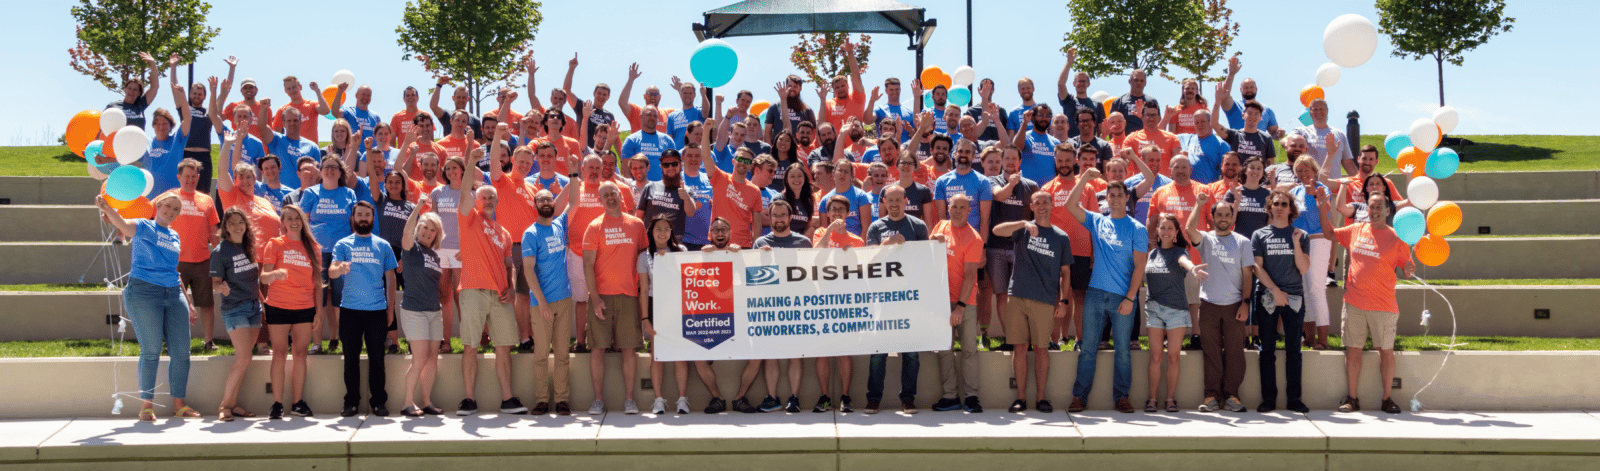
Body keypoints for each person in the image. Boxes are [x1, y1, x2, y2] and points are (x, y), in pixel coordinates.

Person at [98, 193, 198, 421]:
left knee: (182, 353)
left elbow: (174, 271)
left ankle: (179, 405)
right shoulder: (144, 225)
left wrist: (189, 303)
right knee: (151, 350)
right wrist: (107, 208)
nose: (171, 211)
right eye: (168, 206)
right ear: (158, 206)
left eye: (176, 209)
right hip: (144, 292)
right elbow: (124, 226)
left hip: (173, 293)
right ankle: (146, 406)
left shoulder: (174, 235)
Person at [1064, 168, 1148, 413]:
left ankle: (1121, 397)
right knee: (1088, 349)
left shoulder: (1137, 228)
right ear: (1106, 199)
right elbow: (1070, 205)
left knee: (1123, 351)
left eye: (1120, 195)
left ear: (1127, 198)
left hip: (1122, 297)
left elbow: (1140, 265)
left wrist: (1130, 298)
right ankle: (1079, 396)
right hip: (1095, 294)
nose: (1115, 199)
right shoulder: (1097, 220)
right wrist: (1083, 179)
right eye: (1111, 195)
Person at [454, 165, 528, 415]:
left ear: (497, 202)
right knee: (470, 346)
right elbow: (464, 192)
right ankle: (468, 399)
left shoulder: (504, 233)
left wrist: (513, 288)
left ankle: (508, 399)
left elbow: (509, 265)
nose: (487, 201)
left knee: (504, 346)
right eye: (483, 197)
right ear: (476, 200)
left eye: (491, 198)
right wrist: (470, 163)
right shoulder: (469, 218)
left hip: (500, 295)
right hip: (473, 289)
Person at [991, 191, 1073, 413]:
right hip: (1017, 295)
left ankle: (1041, 398)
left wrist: (1064, 301)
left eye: (1045, 202)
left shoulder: (1061, 237)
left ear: (1052, 205)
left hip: (1045, 299)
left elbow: (1066, 273)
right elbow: (996, 231)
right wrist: (1023, 223)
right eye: (1037, 203)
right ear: (1032, 206)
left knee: (1041, 349)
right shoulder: (1023, 230)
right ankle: (1020, 398)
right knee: (1019, 348)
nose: (1041, 206)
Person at [637, 215, 728, 415]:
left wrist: (706, 252)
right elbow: (643, 290)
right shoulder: (644, 256)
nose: (662, 233)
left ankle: (682, 400)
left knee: (681, 356)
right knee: (657, 356)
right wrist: (645, 319)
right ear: (651, 232)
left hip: (680, 306)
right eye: (658, 229)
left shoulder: (681, 251)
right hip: (655, 305)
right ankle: (658, 400)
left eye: (666, 229)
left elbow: (693, 275)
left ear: (671, 232)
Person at [1335, 190, 1414, 415]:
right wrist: (1323, 205)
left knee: (1386, 352)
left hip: (1384, 305)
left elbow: (1407, 270)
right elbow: (1330, 233)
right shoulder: (1355, 229)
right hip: (1354, 302)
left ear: (1388, 212)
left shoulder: (1397, 238)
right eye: (1371, 206)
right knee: (1353, 351)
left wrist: (1409, 269)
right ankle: (1352, 398)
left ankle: (1387, 399)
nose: (1375, 210)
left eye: (1379, 207)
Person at [862, 185, 930, 414]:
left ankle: (908, 398)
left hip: (909, 298)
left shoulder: (918, 226)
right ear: (883, 201)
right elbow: (869, 260)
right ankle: (873, 398)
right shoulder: (876, 227)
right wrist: (887, 243)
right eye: (889, 200)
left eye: (898, 200)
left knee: (911, 353)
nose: (894, 204)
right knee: (878, 352)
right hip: (882, 298)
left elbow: (925, 260)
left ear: (905, 201)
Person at [327, 202, 399, 417]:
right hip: (349, 310)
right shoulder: (343, 244)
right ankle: (351, 402)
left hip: (377, 310)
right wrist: (339, 268)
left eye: (367, 214)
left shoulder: (383, 245)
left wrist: (390, 310)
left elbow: (391, 278)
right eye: (359, 214)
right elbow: (331, 272)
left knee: (377, 358)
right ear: (353, 218)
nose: (363, 218)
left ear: (373, 218)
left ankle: (379, 402)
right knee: (351, 359)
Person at [1186, 192, 1254, 413]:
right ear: (1212, 218)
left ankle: (1232, 396)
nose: (1223, 218)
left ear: (1232, 217)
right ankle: (1212, 396)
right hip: (1209, 305)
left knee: (1235, 352)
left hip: (1235, 305)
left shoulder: (1243, 242)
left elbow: (1248, 275)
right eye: (1219, 215)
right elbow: (1189, 230)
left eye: (1227, 215)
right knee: (1211, 352)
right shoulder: (1206, 239)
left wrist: (1245, 303)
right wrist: (1199, 204)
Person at [583, 181, 647, 415]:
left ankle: (629, 400)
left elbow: (644, 258)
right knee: (598, 349)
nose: (610, 198)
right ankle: (598, 400)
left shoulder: (637, 225)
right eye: (605, 195)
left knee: (629, 349)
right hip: (601, 297)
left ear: (620, 195)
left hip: (629, 296)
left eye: (613, 193)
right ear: (600, 200)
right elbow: (587, 265)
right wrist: (595, 298)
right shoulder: (594, 227)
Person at [520, 187, 581, 416]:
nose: (546, 202)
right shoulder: (530, 233)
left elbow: (574, 201)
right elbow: (528, 270)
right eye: (541, 199)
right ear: (535, 205)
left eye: (549, 199)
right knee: (541, 355)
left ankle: (562, 399)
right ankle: (542, 400)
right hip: (541, 303)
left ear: (554, 203)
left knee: (562, 355)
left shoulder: (559, 224)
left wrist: (573, 173)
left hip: (564, 299)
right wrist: (542, 302)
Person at [922, 194, 984, 413]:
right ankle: (950, 396)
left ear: (969, 211)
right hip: (941, 299)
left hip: (965, 302)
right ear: (948, 208)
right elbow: (927, 253)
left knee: (969, 350)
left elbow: (970, 275)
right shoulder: (941, 226)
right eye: (954, 206)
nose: (957, 210)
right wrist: (933, 240)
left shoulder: (974, 238)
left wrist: (960, 306)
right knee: (944, 350)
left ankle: (972, 396)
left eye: (962, 207)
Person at [1251, 189, 1312, 413]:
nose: (1279, 207)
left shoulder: (1301, 235)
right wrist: (1275, 290)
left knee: (1294, 349)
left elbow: (1303, 269)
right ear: (1269, 207)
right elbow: (1257, 268)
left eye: (1284, 204)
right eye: (1275, 203)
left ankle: (1294, 399)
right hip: (1268, 296)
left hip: (1294, 297)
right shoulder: (1259, 235)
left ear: (1290, 209)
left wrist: (1295, 243)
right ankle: (1269, 399)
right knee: (1267, 349)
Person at [154, 159, 220, 350]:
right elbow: (148, 213)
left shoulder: (206, 200)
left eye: (194, 176)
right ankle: (170, 341)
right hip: (174, 261)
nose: (190, 180)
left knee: (207, 304)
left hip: (202, 260)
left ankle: (208, 341)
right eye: (186, 176)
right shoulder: (168, 197)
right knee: (173, 303)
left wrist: (219, 257)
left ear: (198, 177)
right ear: (179, 177)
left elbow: (213, 232)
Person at [810, 195, 864, 412]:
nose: (837, 213)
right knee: (822, 352)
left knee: (844, 352)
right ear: (828, 212)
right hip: (822, 299)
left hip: (845, 301)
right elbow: (816, 257)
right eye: (833, 209)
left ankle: (845, 396)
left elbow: (859, 271)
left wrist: (849, 251)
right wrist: (831, 230)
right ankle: (824, 396)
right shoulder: (820, 233)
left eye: (841, 210)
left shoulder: (857, 240)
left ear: (848, 213)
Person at [1140, 214, 1198, 413]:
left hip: (1176, 310)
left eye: (1170, 228)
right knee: (1155, 356)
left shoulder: (1180, 252)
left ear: (1176, 232)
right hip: (1153, 309)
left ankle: (1170, 399)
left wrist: (1193, 269)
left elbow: (1184, 261)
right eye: (1162, 228)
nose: (1165, 232)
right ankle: (1152, 399)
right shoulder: (1151, 254)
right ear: (1157, 230)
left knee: (1173, 357)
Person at [982, 146, 1037, 349]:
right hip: (996, 249)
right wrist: (1011, 184)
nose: (1011, 162)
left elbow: (1036, 217)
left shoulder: (1031, 186)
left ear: (1020, 162)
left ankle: (1026, 340)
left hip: (1021, 249)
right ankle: (1011, 340)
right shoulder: (992, 181)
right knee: (1002, 295)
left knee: (1021, 296)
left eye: (1015, 158)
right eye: (1007, 158)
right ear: (1002, 161)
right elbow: (999, 196)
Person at [210, 208, 262, 421]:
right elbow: (214, 283)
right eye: (231, 223)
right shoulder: (220, 251)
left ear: (246, 224)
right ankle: (224, 406)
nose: (237, 226)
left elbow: (254, 278)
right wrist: (220, 288)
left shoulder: (250, 246)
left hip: (254, 308)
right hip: (234, 308)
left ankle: (234, 404)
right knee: (244, 358)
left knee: (245, 359)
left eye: (240, 222)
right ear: (226, 227)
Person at [301, 157, 357, 354]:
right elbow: (302, 222)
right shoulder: (311, 193)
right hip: (317, 253)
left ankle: (344, 341)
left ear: (340, 173)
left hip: (342, 253)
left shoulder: (349, 193)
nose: (330, 170)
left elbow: (354, 223)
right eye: (326, 167)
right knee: (319, 298)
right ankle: (317, 343)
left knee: (341, 298)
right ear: (320, 171)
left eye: (334, 167)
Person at [1147, 158, 1204, 349]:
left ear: (1191, 169)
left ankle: (1196, 335)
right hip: (1165, 256)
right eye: (1176, 167)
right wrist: (1152, 244)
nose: (1180, 170)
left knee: (1193, 300)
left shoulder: (1203, 190)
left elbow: (1211, 222)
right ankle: (1164, 335)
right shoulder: (1160, 191)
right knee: (1167, 297)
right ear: (1170, 169)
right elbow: (1152, 220)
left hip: (1194, 255)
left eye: (1184, 167)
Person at [396, 204, 446, 417]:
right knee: (420, 358)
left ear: (436, 235)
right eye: (424, 227)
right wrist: (418, 207)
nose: (427, 232)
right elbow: (407, 232)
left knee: (433, 358)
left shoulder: (435, 256)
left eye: (432, 230)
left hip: (434, 312)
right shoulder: (411, 249)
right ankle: (408, 403)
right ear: (418, 229)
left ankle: (426, 401)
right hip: (414, 311)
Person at [1288, 157, 1336, 350]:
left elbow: (1325, 210)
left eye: (1306, 170)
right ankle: (1309, 338)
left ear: (1314, 171)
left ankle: (1323, 340)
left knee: (1316, 290)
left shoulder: (1322, 189)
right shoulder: (1294, 192)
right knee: (1305, 292)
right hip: (1298, 242)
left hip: (1318, 240)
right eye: (1299, 170)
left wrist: (1316, 197)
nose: (1303, 174)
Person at [1226, 156, 1273, 350]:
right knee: (1243, 292)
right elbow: (1229, 222)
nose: (1255, 171)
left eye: (1259, 168)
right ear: (1245, 170)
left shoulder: (1268, 194)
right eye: (1252, 167)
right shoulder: (1234, 192)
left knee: (1257, 292)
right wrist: (1237, 201)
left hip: (1260, 249)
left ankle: (1256, 336)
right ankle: (1243, 335)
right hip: (1239, 247)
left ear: (1263, 172)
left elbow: (1270, 224)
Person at [931, 140, 994, 237]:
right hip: (950, 238)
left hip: (973, 238)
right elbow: (942, 218)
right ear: (955, 154)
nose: (963, 155)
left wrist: (983, 244)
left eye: (967, 152)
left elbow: (985, 220)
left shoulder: (983, 182)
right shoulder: (942, 181)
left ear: (973, 156)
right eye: (960, 151)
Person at [257, 99, 322, 190]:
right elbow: (262, 128)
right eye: (288, 121)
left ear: (300, 122)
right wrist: (263, 109)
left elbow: (318, 175)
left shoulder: (312, 146)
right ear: (283, 123)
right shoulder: (276, 139)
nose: (292, 123)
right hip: (280, 194)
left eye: (295, 120)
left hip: (304, 194)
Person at [1214, 58, 1282, 138]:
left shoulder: (1267, 110)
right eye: (1246, 88)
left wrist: (1279, 134)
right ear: (1240, 89)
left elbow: (1274, 133)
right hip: (1237, 144)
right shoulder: (1234, 106)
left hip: (1259, 145)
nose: (1249, 90)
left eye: (1251, 87)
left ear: (1256, 89)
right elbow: (1225, 95)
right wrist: (1231, 74)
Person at [1211, 83, 1276, 166]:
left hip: (1257, 174)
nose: (1253, 116)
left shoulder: (1266, 138)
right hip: (1237, 174)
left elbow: (1270, 164)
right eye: (1250, 113)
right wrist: (1218, 100)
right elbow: (1214, 124)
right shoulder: (1234, 135)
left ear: (1261, 117)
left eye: (1256, 114)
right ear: (1243, 115)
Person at [1290, 99, 1356, 179]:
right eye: (1315, 109)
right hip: (1310, 184)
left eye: (1321, 109)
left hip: (1333, 184)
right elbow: (1287, 142)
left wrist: (1360, 182)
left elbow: (1347, 162)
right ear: (1310, 112)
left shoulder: (1340, 134)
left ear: (1327, 111)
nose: (1318, 112)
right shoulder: (1301, 132)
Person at [109, 52, 164, 130]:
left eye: (135, 90)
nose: (131, 92)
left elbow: (154, 87)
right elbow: (102, 126)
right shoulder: (113, 106)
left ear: (139, 93)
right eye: (129, 88)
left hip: (138, 137)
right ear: (125, 89)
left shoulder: (140, 105)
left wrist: (152, 64)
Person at [1126, 102, 1182, 176]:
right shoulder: (1131, 139)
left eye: (1154, 115)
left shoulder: (1172, 138)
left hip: (1164, 182)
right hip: (1141, 182)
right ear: (1142, 117)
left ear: (1159, 118)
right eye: (1148, 115)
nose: (1151, 118)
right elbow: (1125, 163)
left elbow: (1177, 163)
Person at [1013, 105, 1062, 184]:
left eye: (1047, 116)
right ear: (1033, 117)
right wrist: (1025, 122)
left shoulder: (1056, 142)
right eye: (1040, 115)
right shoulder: (1025, 137)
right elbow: (1015, 149)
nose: (1044, 118)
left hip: (1049, 189)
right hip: (1027, 187)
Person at [1179, 110, 1231, 185]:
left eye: (1202, 121)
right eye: (1196, 122)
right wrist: (1166, 118)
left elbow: (1227, 173)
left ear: (1210, 122)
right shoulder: (1187, 139)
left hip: (1208, 189)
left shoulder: (1221, 144)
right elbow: (1163, 136)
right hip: (1187, 188)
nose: (1200, 125)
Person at [865, 77, 915, 142]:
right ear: (886, 91)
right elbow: (867, 121)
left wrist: (910, 131)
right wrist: (872, 101)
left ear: (900, 89)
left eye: (896, 89)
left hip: (904, 147)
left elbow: (916, 136)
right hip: (884, 146)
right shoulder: (880, 109)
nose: (894, 92)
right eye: (891, 90)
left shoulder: (909, 112)